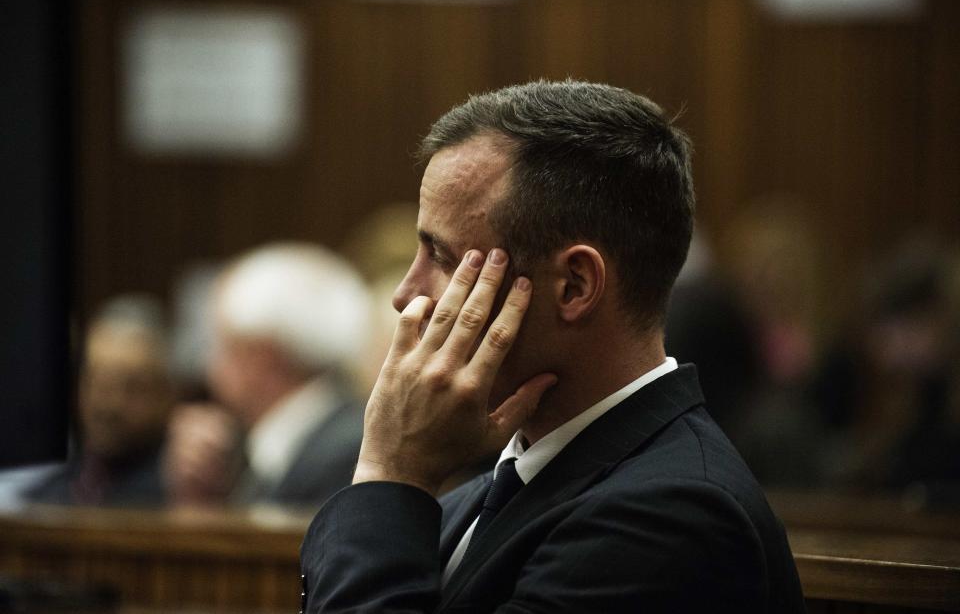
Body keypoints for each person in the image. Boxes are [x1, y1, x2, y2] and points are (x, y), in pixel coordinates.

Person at [300, 81, 805, 612]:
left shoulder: (672, 516)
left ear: (574, 286)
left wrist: (388, 472)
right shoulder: (497, 483)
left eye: (441, 257)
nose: (405, 295)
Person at [164, 243, 370, 508]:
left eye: (221, 344)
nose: (208, 363)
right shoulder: (248, 452)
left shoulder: (345, 454)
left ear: (262, 356)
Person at [25, 296, 174, 506]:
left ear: (166, 395)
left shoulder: (179, 494)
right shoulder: (45, 496)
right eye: (98, 382)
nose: (109, 404)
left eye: (132, 387)